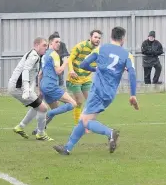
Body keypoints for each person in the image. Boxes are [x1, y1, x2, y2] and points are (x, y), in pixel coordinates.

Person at [53, 27, 139, 155]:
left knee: (86, 121)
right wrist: (133, 95)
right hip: (109, 93)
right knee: (84, 119)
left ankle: (110, 133)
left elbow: (83, 64)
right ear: (122, 39)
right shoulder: (127, 55)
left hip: (97, 90)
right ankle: (67, 148)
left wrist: (95, 69)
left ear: (111, 37)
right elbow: (132, 73)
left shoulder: (101, 49)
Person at [31, 34, 77, 136]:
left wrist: (40, 89)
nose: (59, 44)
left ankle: (39, 129)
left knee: (55, 108)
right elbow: (58, 71)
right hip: (51, 86)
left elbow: (40, 74)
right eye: (56, 42)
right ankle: (46, 116)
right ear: (50, 43)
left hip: (44, 85)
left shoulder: (45, 54)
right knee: (73, 103)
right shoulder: (54, 54)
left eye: (59, 42)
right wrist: (66, 62)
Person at [9, 37, 54, 141]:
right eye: (44, 45)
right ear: (36, 45)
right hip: (18, 87)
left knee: (37, 106)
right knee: (43, 108)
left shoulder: (36, 56)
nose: (45, 48)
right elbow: (25, 71)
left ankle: (20, 127)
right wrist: (26, 89)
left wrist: (32, 89)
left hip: (17, 86)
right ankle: (41, 134)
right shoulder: (34, 56)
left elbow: (32, 75)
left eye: (47, 46)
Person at [66, 30, 102, 126]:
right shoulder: (80, 46)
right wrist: (71, 70)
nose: (97, 39)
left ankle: (88, 122)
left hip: (86, 79)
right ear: (90, 37)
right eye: (95, 37)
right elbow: (69, 59)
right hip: (75, 78)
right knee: (79, 101)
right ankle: (78, 124)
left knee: (91, 101)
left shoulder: (98, 51)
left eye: (99, 38)